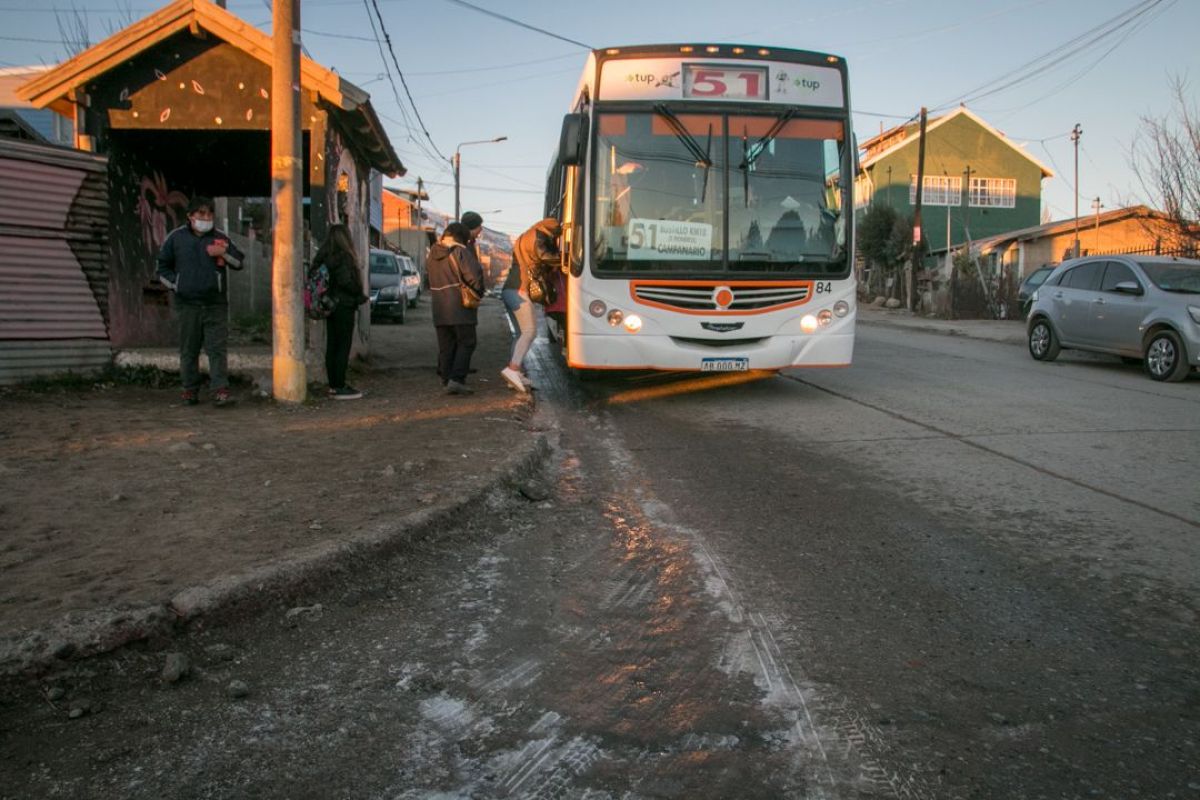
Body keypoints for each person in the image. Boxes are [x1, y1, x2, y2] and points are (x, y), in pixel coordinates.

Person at [156, 195, 245, 407]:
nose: (206, 218)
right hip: (187, 304)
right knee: (189, 349)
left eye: (209, 213)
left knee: (216, 349)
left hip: (215, 303)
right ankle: (189, 390)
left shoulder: (220, 238)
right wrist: (177, 284)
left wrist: (223, 253)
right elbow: (162, 268)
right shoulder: (176, 238)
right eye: (201, 214)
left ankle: (220, 390)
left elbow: (239, 262)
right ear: (190, 216)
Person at [502, 217, 561, 392]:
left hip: (510, 290)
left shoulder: (525, 236)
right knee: (530, 332)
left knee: (521, 333)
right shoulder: (537, 236)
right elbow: (545, 256)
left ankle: (515, 373)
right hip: (519, 290)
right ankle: (512, 370)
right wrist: (566, 259)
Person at [311, 223, 368, 399]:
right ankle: (340, 385)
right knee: (343, 346)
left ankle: (334, 385)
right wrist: (359, 294)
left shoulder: (323, 255)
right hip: (344, 305)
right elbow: (346, 281)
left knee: (332, 345)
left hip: (329, 304)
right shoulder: (343, 256)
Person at [427, 222, 484, 395]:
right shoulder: (459, 251)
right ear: (462, 237)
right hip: (459, 305)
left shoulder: (433, 254)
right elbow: (474, 276)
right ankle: (457, 379)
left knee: (447, 345)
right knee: (467, 342)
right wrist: (478, 291)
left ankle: (446, 379)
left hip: (439, 306)